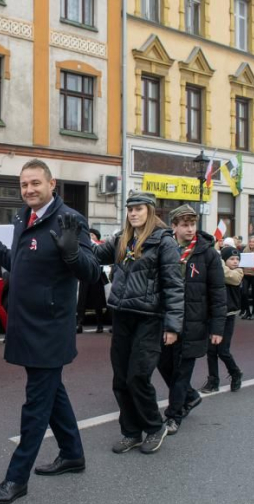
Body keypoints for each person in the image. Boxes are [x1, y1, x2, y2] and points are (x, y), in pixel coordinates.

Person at [0, 159, 100, 504]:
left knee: (36, 404)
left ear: (51, 183)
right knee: (52, 392)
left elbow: (91, 273)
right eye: (24, 184)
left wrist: (72, 252)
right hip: (26, 323)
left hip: (50, 328)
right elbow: (19, 262)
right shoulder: (20, 217)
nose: (28, 190)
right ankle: (72, 453)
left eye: (35, 183)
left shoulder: (70, 219)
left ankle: (16, 478)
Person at [92, 192, 183, 453]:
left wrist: (173, 326)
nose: (133, 213)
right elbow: (96, 254)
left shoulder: (164, 242)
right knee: (120, 378)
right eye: (130, 209)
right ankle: (131, 431)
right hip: (122, 315)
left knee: (138, 376)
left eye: (139, 209)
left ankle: (155, 427)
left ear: (150, 211)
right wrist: (74, 241)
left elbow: (174, 286)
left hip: (149, 318)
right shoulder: (122, 239)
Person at [158, 205, 225, 435]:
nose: (189, 229)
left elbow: (218, 293)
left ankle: (174, 415)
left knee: (181, 371)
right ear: (174, 226)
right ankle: (191, 396)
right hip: (167, 321)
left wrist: (217, 327)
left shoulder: (208, 253)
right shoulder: (164, 249)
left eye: (192, 224)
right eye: (184, 225)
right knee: (163, 364)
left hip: (194, 323)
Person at [200, 246, 244, 394]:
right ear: (225, 260)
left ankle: (235, 373)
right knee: (211, 350)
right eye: (232, 259)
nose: (235, 261)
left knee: (223, 350)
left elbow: (232, 278)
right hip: (213, 314)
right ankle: (213, 380)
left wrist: (216, 264)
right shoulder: (218, 269)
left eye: (237, 259)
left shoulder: (238, 272)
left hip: (228, 315)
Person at [76, 228, 108, 334]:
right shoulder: (84, 246)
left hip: (97, 276)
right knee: (82, 301)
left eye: (92, 235)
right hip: (85, 276)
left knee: (97, 302)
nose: (90, 237)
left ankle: (100, 325)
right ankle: (80, 323)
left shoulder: (100, 246)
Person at [241, 236, 254, 320]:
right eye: (250, 242)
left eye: (253, 242)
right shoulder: (245, 250)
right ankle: (247, 312)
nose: (251, 243)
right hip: (246, 274)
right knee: (244, 293)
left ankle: (253, 313)